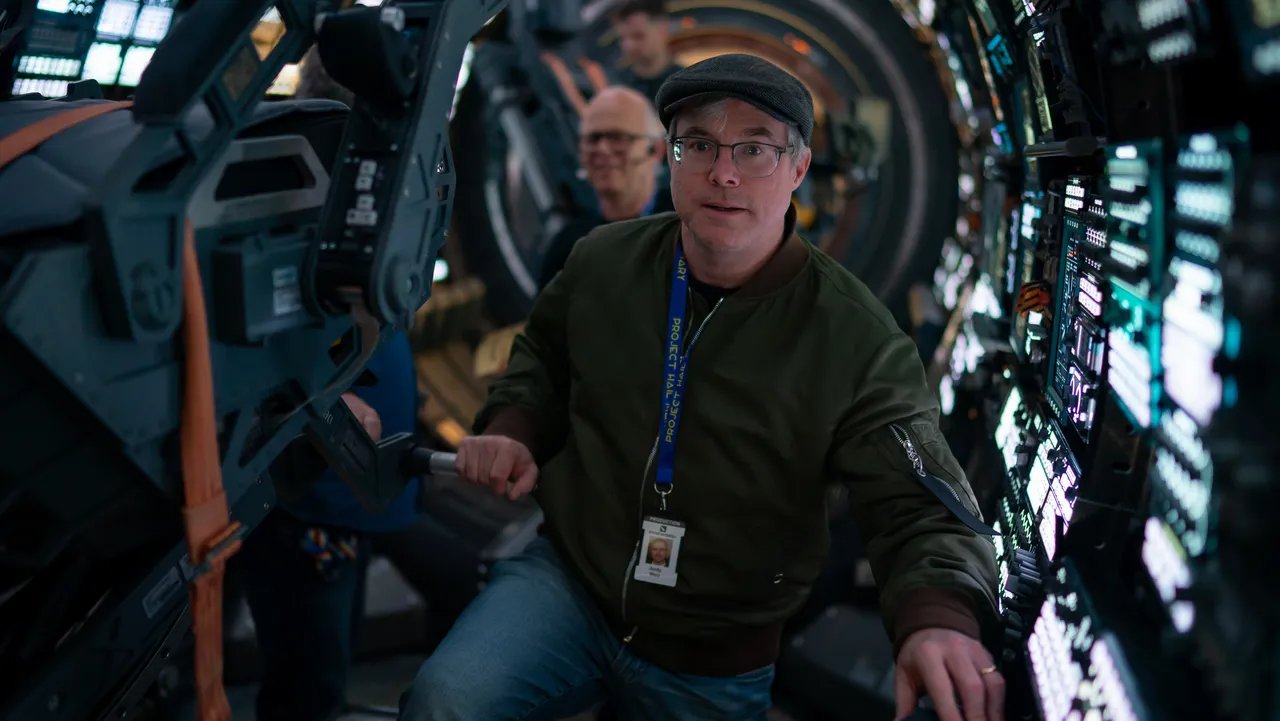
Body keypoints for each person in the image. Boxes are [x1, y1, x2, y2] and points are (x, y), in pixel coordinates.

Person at [400, 54, 1002, 721]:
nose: (724, 173)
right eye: (700, 145)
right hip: (571, 584)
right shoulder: (603, 261)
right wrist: (513, 428)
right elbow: (541, 359)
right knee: (444, 701)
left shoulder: (854, 337)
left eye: (755, 149)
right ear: (671, 159)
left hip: (713, 647)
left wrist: (937, 615)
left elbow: (920, 503)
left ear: (799, 169)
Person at [538, 85, 671, 290]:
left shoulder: (688, 228)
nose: (602, 149)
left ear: (656, 150)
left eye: (617, 137)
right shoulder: (568, 249)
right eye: (592, 139)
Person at [611, 0, 680, 102]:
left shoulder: (684, 85)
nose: (628, 46)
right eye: (622, 38)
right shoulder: (615, 87)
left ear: (663, 30)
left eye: (638, 36)